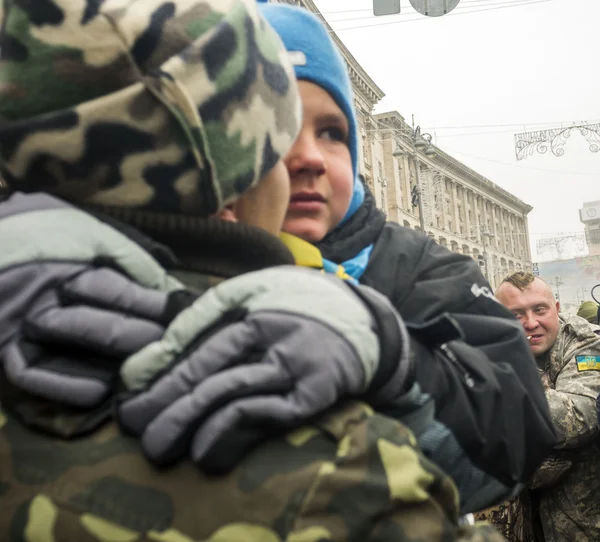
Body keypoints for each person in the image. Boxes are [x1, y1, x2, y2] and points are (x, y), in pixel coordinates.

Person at [0, 1, 505, 540]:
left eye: (331, 133)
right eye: (280, 141)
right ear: (235, 183)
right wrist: (391, 366)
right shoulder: (338, 470)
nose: (303, 163)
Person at [258, 0, 556, 513]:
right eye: (277, 125)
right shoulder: (176, 259)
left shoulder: (426, 268)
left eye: (332, 132)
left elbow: (519, 439)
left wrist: (395, 364)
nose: (307, 155)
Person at [477, 272, 600, 541]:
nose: (531, 323)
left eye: (540, 310)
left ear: (556, 309)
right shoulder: (484, 348)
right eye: (516, 314)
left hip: (578, 527)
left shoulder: (585, 342)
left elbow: (579, 418)